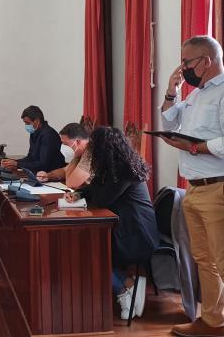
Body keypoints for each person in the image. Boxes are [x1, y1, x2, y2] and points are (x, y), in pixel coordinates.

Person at [159, 35, 224, 337]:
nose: (183, 68)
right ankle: (213, 323)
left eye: (186, 62)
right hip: (195, 189)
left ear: (206, 61)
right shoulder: (197, 95)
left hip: (222, 188)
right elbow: (169, 123)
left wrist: (194, 148)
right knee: (204, 261)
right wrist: (171, 91)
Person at [65, 126, 159, 321]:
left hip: (137, 233)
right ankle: (127, 284)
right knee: (85, 249)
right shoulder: (112, 167)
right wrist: (79, 194)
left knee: (90, 254)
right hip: (123, 227)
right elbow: (93, 189)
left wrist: (88, 186)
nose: (91, 153)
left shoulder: (125, 171)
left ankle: (125, 287)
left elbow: (102, 199)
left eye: (93, 149)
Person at [0, 105, 66, 173]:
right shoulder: (34, 132)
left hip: (52, 174)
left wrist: (17, 164)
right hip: (39, 173)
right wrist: (13, 162)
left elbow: (43, 165)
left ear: (37, 121)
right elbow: (31, 158)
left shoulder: (49, 135)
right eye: (25, 123)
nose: (26, 125)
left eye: (27, 123)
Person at [36, 123, 91, 189]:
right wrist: (48, 176)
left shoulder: (90, 154)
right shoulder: (80, 152)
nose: (63, 147)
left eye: (66, 144)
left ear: (77, 142)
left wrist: (75, 158)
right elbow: (64, 171)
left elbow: (71, 183)